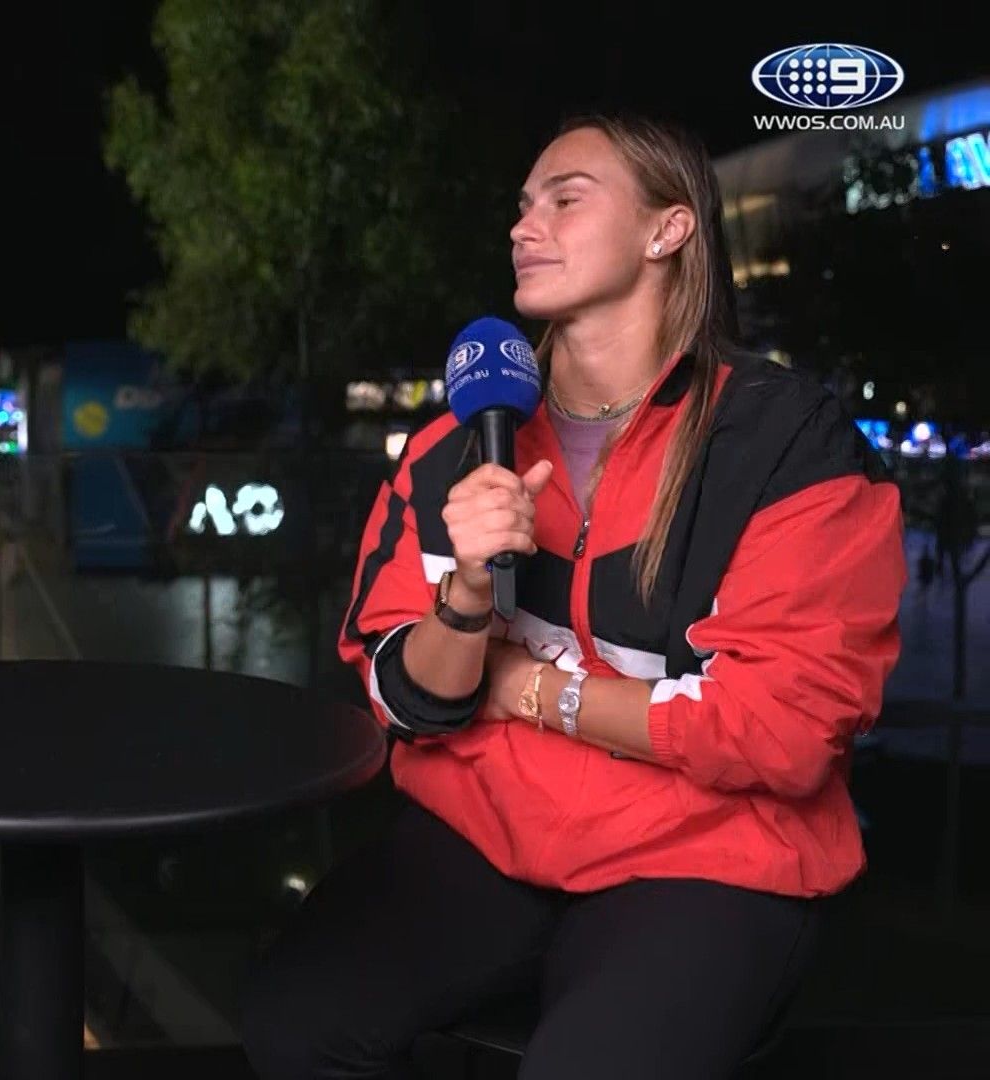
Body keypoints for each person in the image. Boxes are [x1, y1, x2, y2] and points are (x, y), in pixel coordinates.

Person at [241, 113, 905, 1079]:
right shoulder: (451, 449)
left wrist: (526, 687)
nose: (524, 226)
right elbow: (401, 696)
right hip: (489, 836)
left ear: (667, 230)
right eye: (522, 207)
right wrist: (469, 595)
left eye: (565, 199)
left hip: (706, 858)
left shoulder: (786, 444)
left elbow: (783, 730)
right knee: (292, 1022)